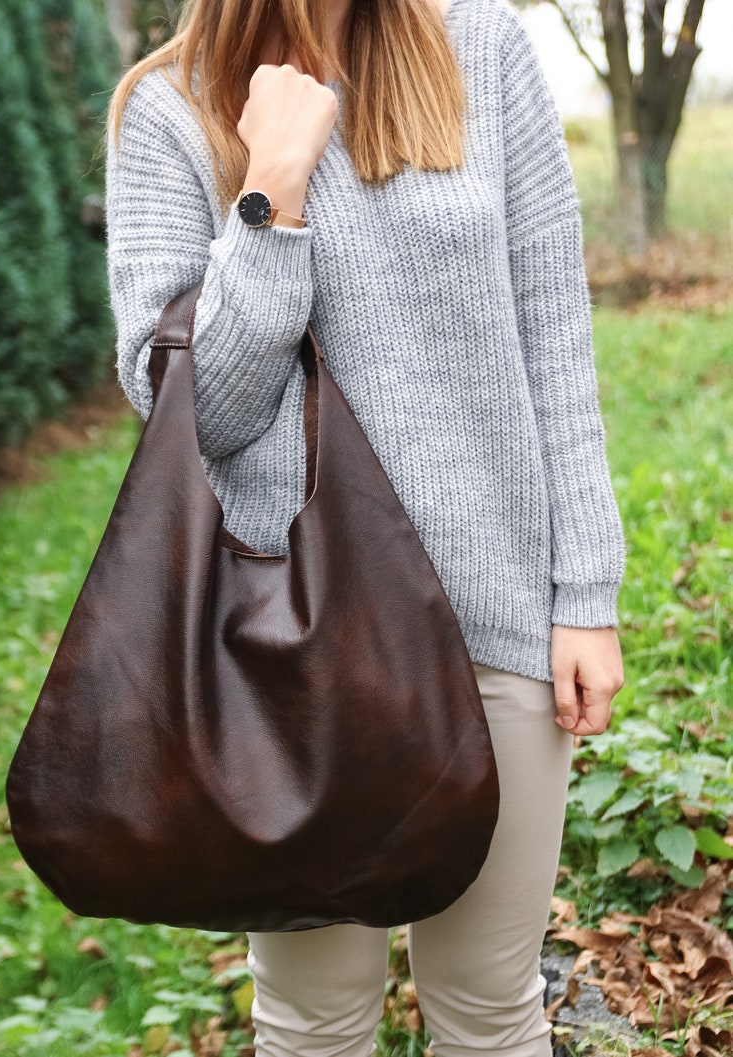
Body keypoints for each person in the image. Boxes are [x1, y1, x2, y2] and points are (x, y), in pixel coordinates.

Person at [105, 0, 626, 1051]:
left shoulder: (481, 48)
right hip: (287, 645)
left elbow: (552, 339)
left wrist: (586, 594)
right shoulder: (167, 108)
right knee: (313, 1018)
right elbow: (196, 415)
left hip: (499, 624)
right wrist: (270, 193)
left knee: (490, 1005)